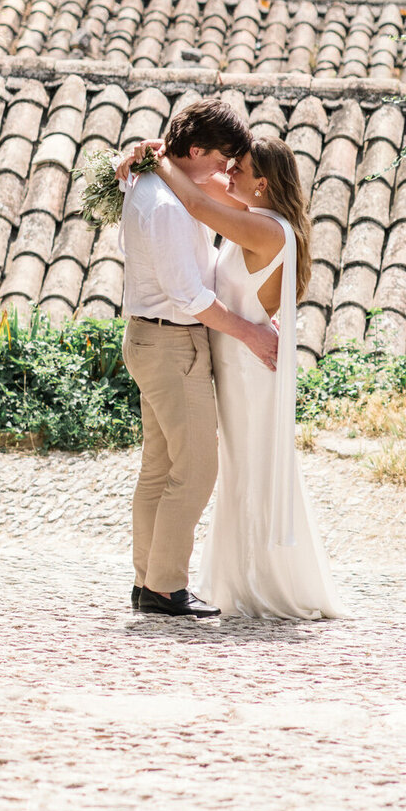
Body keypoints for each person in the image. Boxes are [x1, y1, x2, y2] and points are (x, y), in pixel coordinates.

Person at [124, 134, 347, 621]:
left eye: (238, 170)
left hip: (248, 365)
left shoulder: (265, 229)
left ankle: (261, 580)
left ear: (262, 184)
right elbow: (199, 189)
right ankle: (210, 576)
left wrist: (156, 160)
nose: (229, 176)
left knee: (247, 467)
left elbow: (194, 201)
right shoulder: (255, 215)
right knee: (230, 467)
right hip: (231, 357)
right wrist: (133, 161)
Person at [118, 98, 278, 619]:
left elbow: (196, 195)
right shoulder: (164, 205)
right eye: (221, 160)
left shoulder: (155, 186)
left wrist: (142, 155)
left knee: (160, 467)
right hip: (171, 344)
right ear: (195, 149)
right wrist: (251, 333)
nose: (225, 172)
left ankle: (150, 582)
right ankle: (165, 587)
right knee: (197, 469)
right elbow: (188, 295)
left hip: (152, 339)